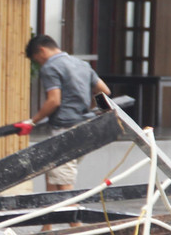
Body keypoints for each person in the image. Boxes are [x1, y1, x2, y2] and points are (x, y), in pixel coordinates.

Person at [20, 35, 111, 192]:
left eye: (37, 59)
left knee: (63, 184)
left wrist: (33, 121)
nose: (40, 63)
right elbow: (105, 91)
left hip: (65, 130)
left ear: (42, 50)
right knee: (53, 175)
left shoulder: (50, 67)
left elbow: (54, 101)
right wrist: (92, 109)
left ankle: (73, 215)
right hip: (85, 128)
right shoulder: (82, 64)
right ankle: (50, 214)